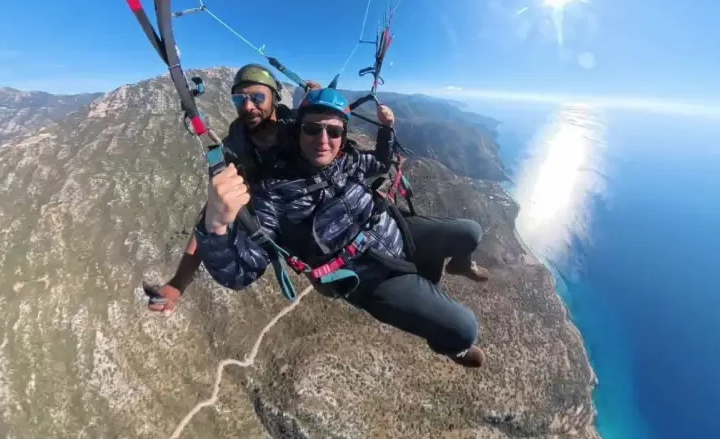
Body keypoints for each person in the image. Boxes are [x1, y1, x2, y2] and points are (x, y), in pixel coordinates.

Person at [195, 85, 492, 368]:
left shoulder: (346, 160)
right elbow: (240, 272)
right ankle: (455, 347)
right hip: (368, 276)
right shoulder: (274, 192)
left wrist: (387, 130)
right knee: (464, 329)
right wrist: (217, 226)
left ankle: (459, 265)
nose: (323, 139)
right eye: (312, 129)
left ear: (342, 135)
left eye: (333, 131)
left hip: (396, 229)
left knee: (470, 233)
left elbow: (380, 162)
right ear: (298, 131)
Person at [146, 64, 318, 314]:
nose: (247, 106)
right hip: (273, 225)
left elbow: (335, 139)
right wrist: (178, 283)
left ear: (275, 97)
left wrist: (322, 104)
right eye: (240, 98)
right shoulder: (232, 152)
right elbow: (213, 214)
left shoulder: (298, 126)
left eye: (257, 97)